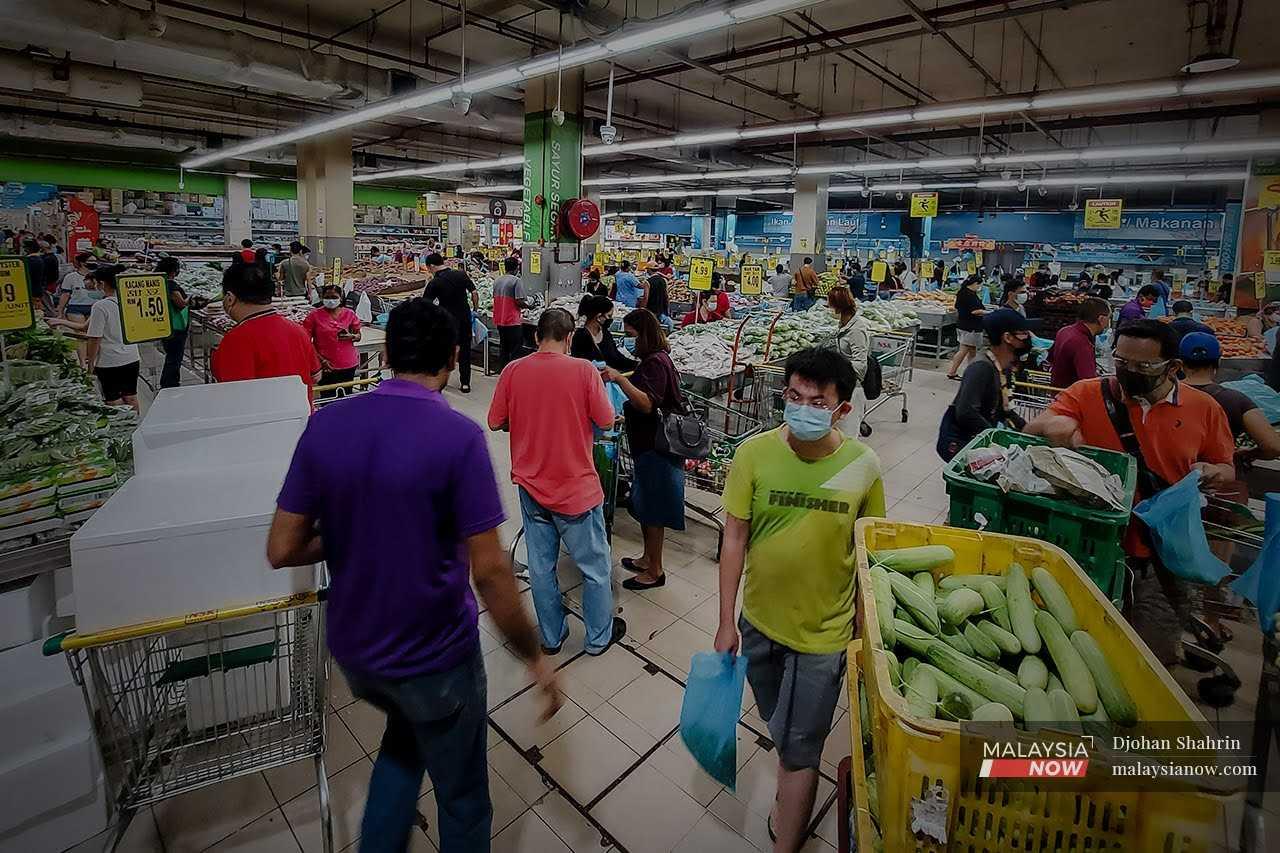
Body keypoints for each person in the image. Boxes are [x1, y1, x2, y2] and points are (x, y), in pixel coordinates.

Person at [268, 298, 559, 853]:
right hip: (434, 659)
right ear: (454, 356)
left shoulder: (326, 425)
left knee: (403, 745)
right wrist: (534, 656)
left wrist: (356, 525)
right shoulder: (456, 438)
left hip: (357, 653)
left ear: (387, 352)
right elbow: (493, 573)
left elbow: (282, 547)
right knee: (464, 794)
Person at [713, 347, 885, 853]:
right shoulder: (754, 454)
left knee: (800, 750)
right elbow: (735, 536)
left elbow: (869, 551)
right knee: (775, 720)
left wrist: (861, 629)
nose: (803, 408)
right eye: (793, 396)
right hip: (760, 623)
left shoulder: (862, 466)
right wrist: (727, 620)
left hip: (825, 634)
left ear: (842, 410)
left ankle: (786, 840)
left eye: (817, 401)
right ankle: (789, 779)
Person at [1025, 319, 1235, 664]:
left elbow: (1226, 467)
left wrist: (1213, 472)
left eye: (1144, 366)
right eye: (1121, 362)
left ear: (1174, 367)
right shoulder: (1087, 393)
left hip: (1161, 551)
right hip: (1092, 545)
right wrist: (1052, 425)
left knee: (1153, 648)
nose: (1129, 372)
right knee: (1080, 640)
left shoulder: (1205, 409)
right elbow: (1036, 426)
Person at [488, 308, 627, 657]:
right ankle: (597, 638)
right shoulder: (583, 371)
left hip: (532, 488)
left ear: (536, 337)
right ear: (569, 338)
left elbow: (495, 421)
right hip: (575, 488)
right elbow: (606, 420)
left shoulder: (513, 370)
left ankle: (551, 636)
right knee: (594, 568)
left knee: (541, 567)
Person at [602, 310, 685, 591]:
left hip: (656, 446)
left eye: (631, 335)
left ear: (643, 333)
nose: (629, 342)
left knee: (653, 509)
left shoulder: (656, 363)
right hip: (647, 442)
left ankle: (655, 570)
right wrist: (625, 416)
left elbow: (649, 403)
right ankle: (647, 558)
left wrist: (620, 379)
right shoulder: (653, 360)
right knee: (646, 504)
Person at [211, 262, 322, 397]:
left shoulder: (236, 339)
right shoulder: (298, 330)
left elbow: (234, 395)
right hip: (300, 414)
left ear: (229, 298)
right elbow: (316, 375)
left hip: (265, 416)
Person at [936, 309, 1030, 461]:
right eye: (1024, 333)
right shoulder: (981, 367)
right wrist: (995, 437)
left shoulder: (1002, 366)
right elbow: (966, 412)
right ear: (1008, 337)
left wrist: (1026, 429)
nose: (1028, 338)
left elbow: (1004, 407)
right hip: (965, 444)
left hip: (980, 441)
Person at [1180, 332, 1280, 467]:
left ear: (1179, 363)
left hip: (1171, 477)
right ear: (1219, 361)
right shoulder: (1235, 400)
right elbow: (1273, 447)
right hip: (1219, 476)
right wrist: (1247, 454)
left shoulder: (1164, 395)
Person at [50, 266, 141, 412]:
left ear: (102, 284)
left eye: (96, 283)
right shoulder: (128, 301)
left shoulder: (100, 306)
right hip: (132, 358)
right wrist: (60, 321)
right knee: (131, 396)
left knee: (113, 400)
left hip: (110, 361)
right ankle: (137, 424)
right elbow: (85, 327)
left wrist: (90, 363)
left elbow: (94, 339)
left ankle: (122, 429)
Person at [423, 253, 479, 393]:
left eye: (428, 268)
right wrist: (475, 310)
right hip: (465, 318)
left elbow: (425, 304)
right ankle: (465, 384)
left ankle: (440, 383)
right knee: (465, 350)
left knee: (444, 351)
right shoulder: (461, 274)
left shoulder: (435, 282)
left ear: (431, 266)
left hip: (446, 321)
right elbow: (474, 292)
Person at [304, 283, 363, 396]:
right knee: (328, 396)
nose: (331, 300)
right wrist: (321, 360)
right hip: (326, 365)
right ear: (322, 298)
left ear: (341, 298)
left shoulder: (349, 314)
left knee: (346, 395)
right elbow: (306, 341)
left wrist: (353, 336)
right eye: (327, 297)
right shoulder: (314, 316)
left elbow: (358, 335)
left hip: (348, 363)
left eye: (334, 297)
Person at [827, 285, 870, 436]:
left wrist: (836, 365)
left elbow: (860, 365)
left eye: (829, 305)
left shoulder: (857, 330)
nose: (828, 308)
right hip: (841, 385)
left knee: (848, 434)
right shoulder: (844, 325)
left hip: (853, 389)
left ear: (839, 307)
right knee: (838, 432)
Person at [1048, 297, 1110, 389]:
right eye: (1109, 318)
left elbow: (1050, 359)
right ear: (1101, 319)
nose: (1109, 322)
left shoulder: (1064, 331)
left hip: (1057, 392)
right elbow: (1089, 383)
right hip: (1070, 397)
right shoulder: (1082, 344)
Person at [572, 295, 637, 372]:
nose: (610, 319)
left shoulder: (606, 334)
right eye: (609, 315)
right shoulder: (580, 337)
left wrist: (637, 365)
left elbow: (617, 358)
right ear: (599, 316)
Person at [153, 256, 190, 390]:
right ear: (174, 271)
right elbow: (180, 304)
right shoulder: (171, 285)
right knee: (175, 357)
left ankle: (168, 382)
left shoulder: (157, 282)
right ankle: (170, 384)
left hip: (164, 323)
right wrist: (189, 299)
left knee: (170, 354)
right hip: (176, 326)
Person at [945, 274, 987, 380]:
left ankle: (970, 373)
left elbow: (957, 307)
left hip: (963, 324)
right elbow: (974, 311)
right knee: (964, 350)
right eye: (979, 285)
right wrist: (988, 312)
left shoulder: (962, 292)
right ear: (974, 283)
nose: (979, 287)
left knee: (971, 350)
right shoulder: (970, 295)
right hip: (970, 326)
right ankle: (952, 372)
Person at [491, 257, 530, 367]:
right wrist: (529, 306)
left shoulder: (497, 280)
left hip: (499, 319)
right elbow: (519, 301)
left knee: (504, 346)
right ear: (517, 268)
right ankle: (513, 372)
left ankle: (503, 369)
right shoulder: (516, 281)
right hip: (512, 320)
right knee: (515, 349)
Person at [54, 252, 100, 320]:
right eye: (91, 261)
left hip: (95, 307)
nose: (94, 263)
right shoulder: (70, 277)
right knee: (80, 328)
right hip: (76, 307)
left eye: (95, 261)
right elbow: (65, 295)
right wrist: (60, 312)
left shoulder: (99, 276)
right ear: (82, 263)